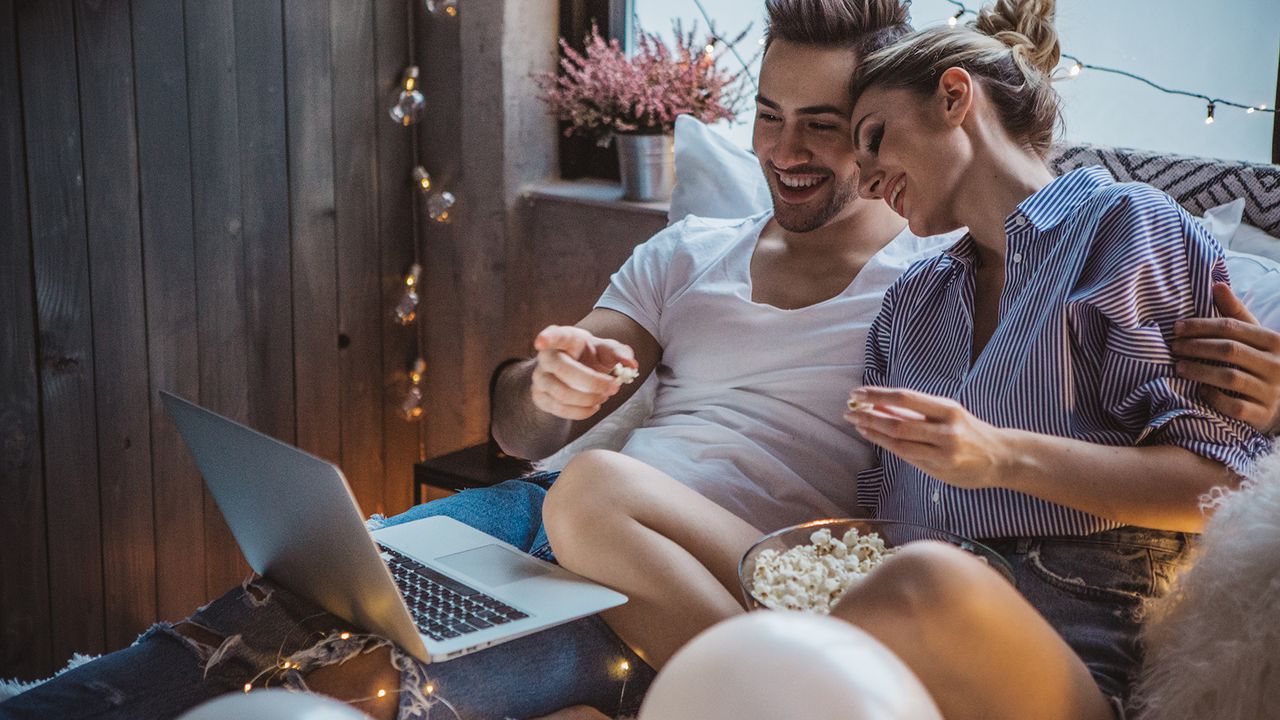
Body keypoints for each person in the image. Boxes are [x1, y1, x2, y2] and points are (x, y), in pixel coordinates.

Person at [3, 1, 1278, 718]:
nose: (799, 154)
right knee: (299, 599)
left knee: (393, 683)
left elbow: (1218, 470)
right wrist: (551, 387)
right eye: (765, 118)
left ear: (948, 100)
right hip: (635, 535)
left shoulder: (1088, 229)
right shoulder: (901, 297)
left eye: (842, 130)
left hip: (993, 608)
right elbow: (528, 419)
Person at [543, 1, 1275, 719]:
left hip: (1042, 643)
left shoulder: (1127, 229)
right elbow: (877, 518)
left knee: (921, 580)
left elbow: (1217, 488)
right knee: (590, 489)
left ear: (954, 97)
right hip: (876, 614)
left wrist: (1000, 458)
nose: (864, 177)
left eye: (872, 138)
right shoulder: (913, 302)